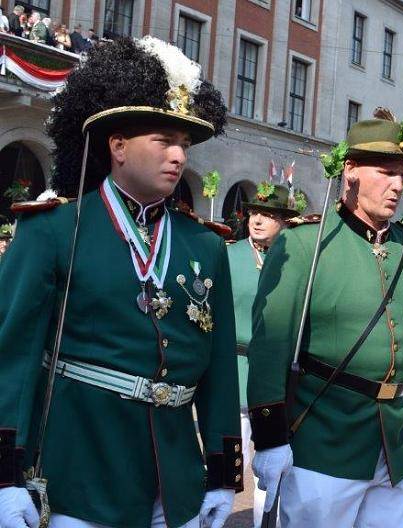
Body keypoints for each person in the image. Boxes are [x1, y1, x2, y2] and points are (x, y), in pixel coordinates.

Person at [0, 36, 240, 528]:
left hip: (174, 482)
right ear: (118, 146)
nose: (178, 155)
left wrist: (222, 471)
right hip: (79, 475)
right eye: (163, 140)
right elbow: (12, 357)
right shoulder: (53, 229)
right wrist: (5, 475)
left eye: (185, 144)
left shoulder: (206, 244)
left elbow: (218, 368)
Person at [247, 114, 403, 527]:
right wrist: (270, 437)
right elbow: (271, 345)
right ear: (350, 170)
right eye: (385, 172)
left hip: (397, 443)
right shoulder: (305, 244)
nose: (397, 185)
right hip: (324, 440)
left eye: (402, 175)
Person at [228, 184, 300, 528]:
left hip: (278, 383)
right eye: (254, 213)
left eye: (268, 215)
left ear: (284, 221)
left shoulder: (294, 261)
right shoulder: (228, 256)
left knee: (272, 476)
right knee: (224, 470)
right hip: (235, 375)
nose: (257, 220)